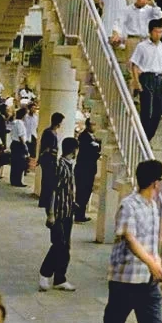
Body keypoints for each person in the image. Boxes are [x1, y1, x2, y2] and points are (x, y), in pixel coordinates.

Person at [93, 159, 162, 323]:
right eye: (161, 181)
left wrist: (157, 264)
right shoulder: (129, 205)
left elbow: (151, 243)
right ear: (155, 183)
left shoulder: (154, 206)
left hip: (147, 282)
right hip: (124, 281)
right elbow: (130, 238)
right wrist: (152, 264)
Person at [39, 136, 78, 293]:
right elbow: (53, 191)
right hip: (59, 212)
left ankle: (60, 277)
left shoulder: (69, 165)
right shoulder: (60, 167)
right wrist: (51, 213)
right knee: (59, 244)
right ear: (74, 150)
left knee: (65, 246)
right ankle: (45, 272)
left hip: (68, 211)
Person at [130, 18, 162, 141]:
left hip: (159, 78)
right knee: (147, 109)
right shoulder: (142, 46)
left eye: (161, 32)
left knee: (157, 111)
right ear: (150, 32)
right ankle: (143, 134)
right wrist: (137, 82)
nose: (158, 35)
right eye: (156, 32)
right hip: (147, 77)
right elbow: (135, 65)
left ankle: (148, 136)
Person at [74, 119, 101, 222]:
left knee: (86, 192)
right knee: (82, 192)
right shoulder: (84, 137)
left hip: (89, 169)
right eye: (93, 125)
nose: (95, 127)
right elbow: (90, 152)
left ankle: (81, 213)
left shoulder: (93, 137)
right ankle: (78, 214)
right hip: (84, 168)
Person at [37, 112, 65, 211]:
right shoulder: (49, 133)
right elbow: (47, 147)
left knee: (47, 179)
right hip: (48, 159)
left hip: (49, 159)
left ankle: (45, 199)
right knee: (47, 179)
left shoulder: (49, 132)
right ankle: (45, 200)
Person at [7, 110, 29, 187]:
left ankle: (14, 180)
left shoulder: (16, 123)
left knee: (15, 163)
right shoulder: (20, 123)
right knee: (19, 163)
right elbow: (20, 136)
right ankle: (17, 181)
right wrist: (24, 146)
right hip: (18, 144)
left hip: (15, 144)